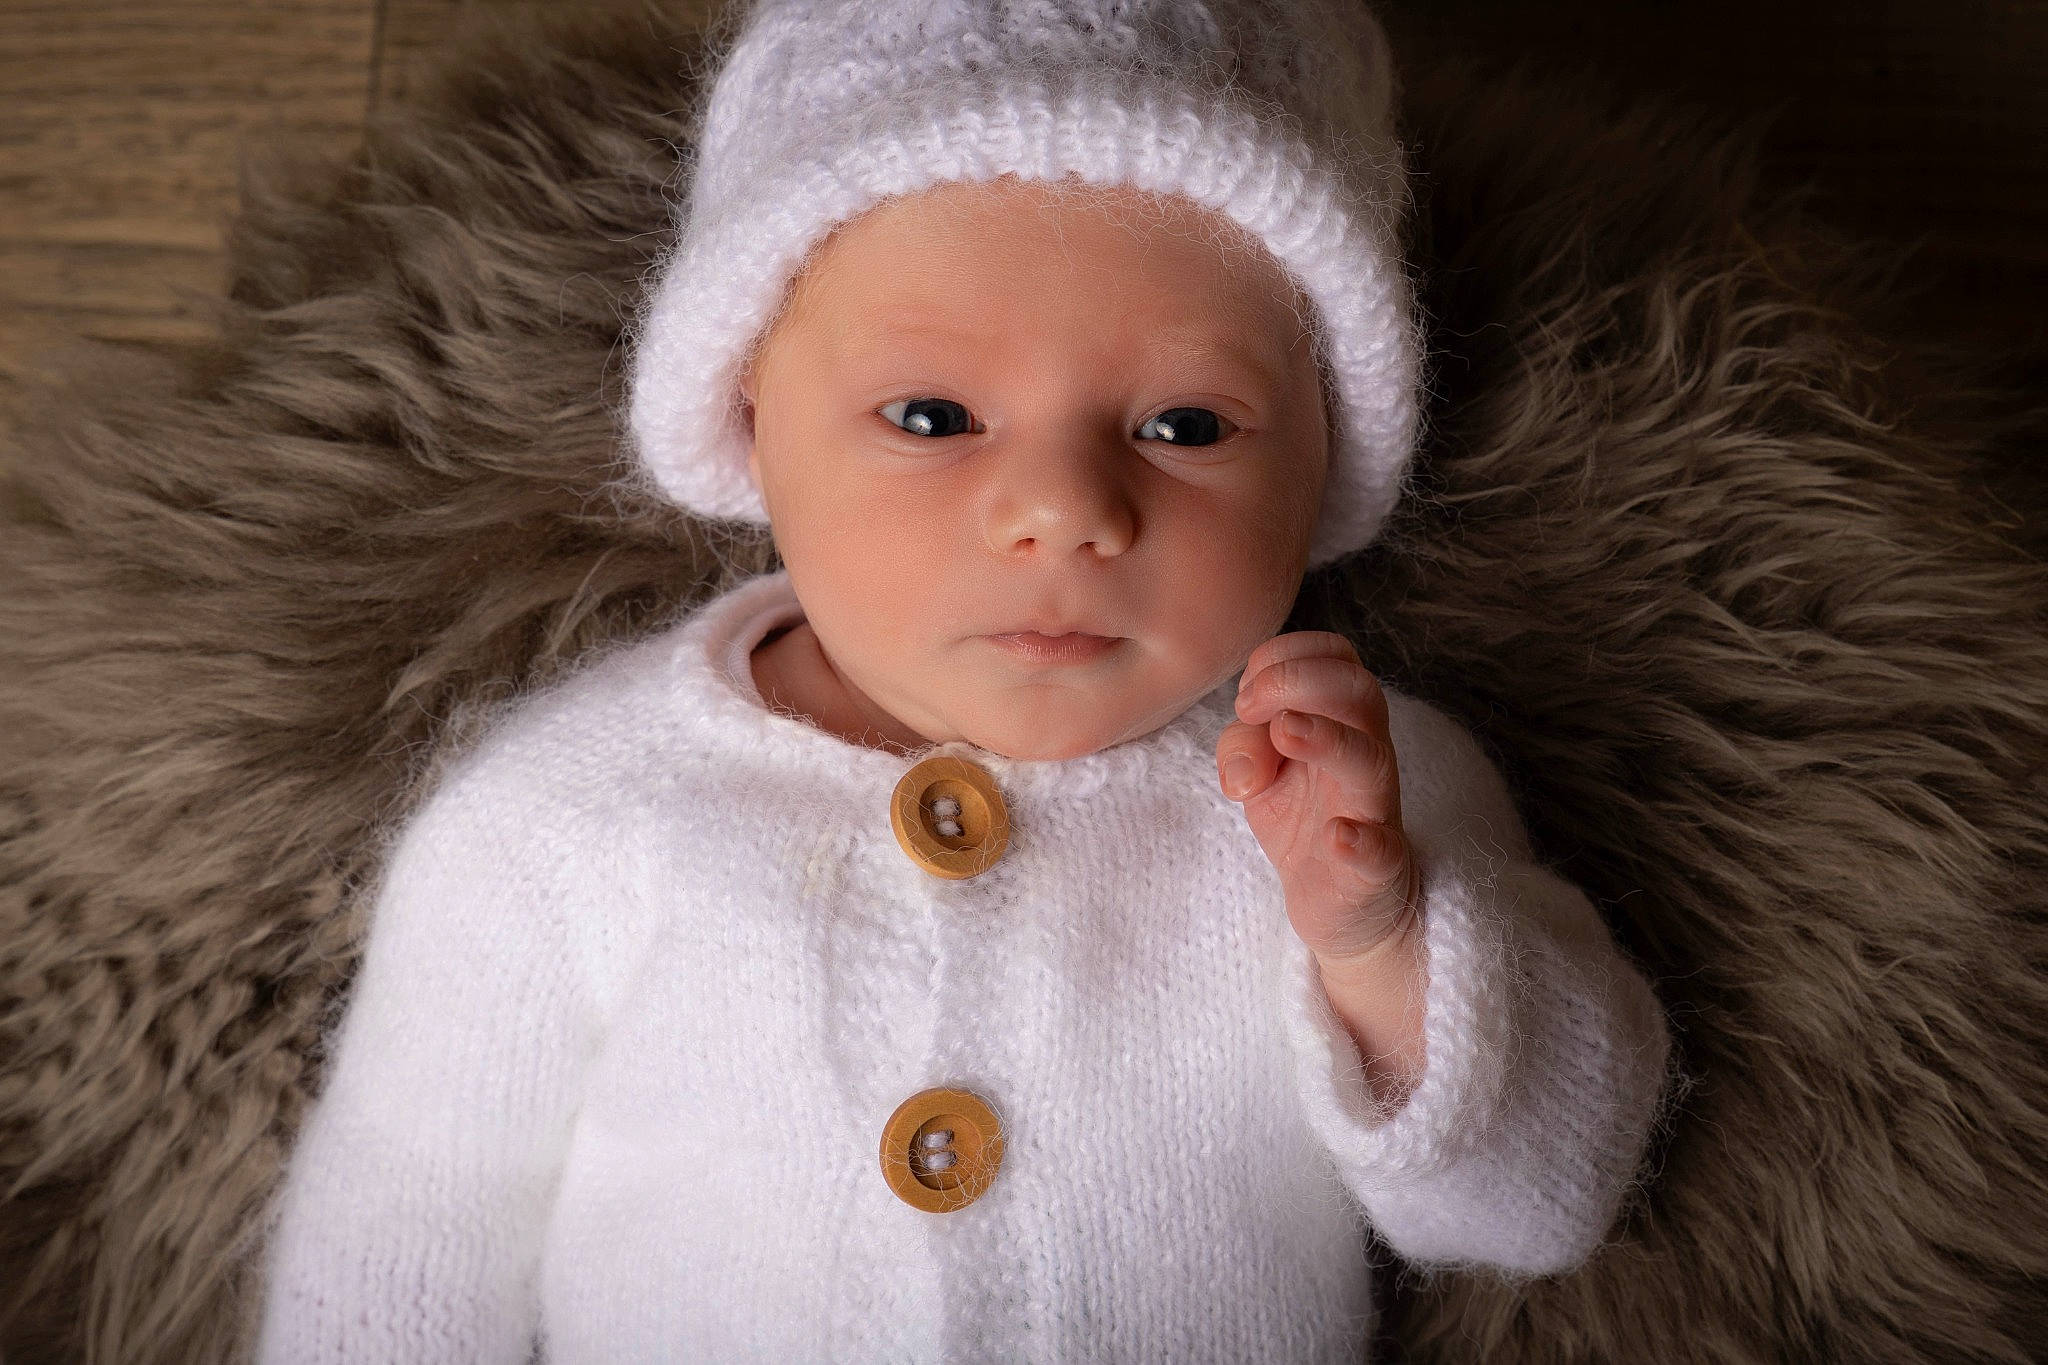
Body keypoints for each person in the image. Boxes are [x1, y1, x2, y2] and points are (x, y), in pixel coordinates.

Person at [255, 0, 1676, 1359]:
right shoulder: (565, 816)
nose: (1062, 508)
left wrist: (1379, 942)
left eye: (1188, 423)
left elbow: (1542, 1204)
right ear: (751, 421)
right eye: (932, 415)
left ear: (1326, 460)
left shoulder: (1355, 793)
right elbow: (398, 1240)